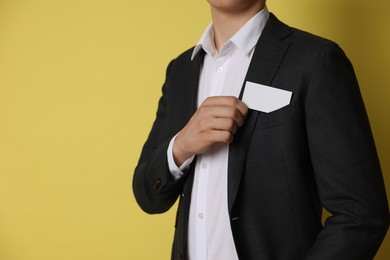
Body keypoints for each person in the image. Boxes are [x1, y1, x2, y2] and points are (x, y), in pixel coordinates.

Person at [132, 0, 389, 259]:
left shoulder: (315, 60)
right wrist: (181, 146)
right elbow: (147, 197)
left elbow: (361, 215)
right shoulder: (180, 71)